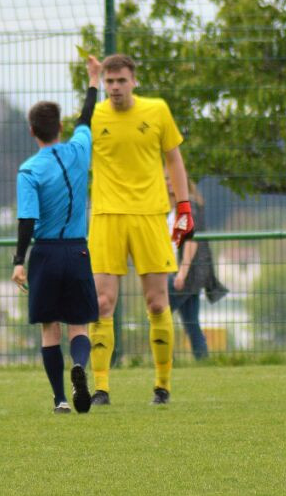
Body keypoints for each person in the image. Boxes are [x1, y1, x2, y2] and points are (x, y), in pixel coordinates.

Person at [86, 53, 194, 406]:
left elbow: (174, 159)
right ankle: (100, 387)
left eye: (121, 80)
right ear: (103, 83)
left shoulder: (157, 110)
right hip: (106, 216)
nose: (115, 87)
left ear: (134, 81)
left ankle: (162, 386)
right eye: (109, 81)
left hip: (149, 215)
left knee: (157, 302)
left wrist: (184, 206)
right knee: (102, 303)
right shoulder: (94, 116)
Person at [10, 57, 102, 413]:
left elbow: (27, 221)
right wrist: (93, 81)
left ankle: (61, 398)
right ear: (60, 127)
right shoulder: (80, 150)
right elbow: (87, 117)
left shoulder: (29, 170)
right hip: (77, 250)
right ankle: (79, 365)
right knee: (79, 324)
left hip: (46, 254)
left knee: (50, 327)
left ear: (32, 131)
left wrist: (20, 261)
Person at [168, 180, 226, 360]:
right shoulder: (174, 205)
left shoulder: (188, 206)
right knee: (191, 322)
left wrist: (182, 273)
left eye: (172, 179)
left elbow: (192, 241)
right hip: (184, 272)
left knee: (158, 312)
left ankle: (164, 359)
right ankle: (203, 360)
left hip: (186, 273)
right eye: (165, 179)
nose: (169, 183)